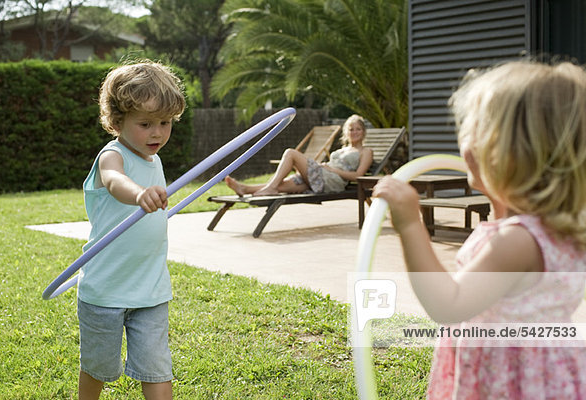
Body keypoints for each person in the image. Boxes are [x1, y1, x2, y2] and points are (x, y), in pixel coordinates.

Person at [374, 60, 586, 399]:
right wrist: (497, 196)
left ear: (509, 154)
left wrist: (411, 223)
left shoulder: (515, 242)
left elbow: (448, 304)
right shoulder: (555, 224)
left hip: (507, 380)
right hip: (544, 371)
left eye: (474, 131)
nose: (463, 142)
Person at [77, 61, 185, 400]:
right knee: (98, 368)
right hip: (105, 290)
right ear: (117, 121)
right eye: (145, 123)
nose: (157, 132)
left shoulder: (156, 160)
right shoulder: (113, 155)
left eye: (165, 123)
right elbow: (113, 181)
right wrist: (139, 194)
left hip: (151, 290)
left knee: (157, 368)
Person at [225, 114, 374, 196]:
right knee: (282, 186)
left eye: (358, 129)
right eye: (351, 129)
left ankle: (269, 187)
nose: (354, 132)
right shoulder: (342, 149)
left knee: (291, 153)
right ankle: (244, 189)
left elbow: (358, 175)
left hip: (331, 181)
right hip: (322, 176)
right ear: (346, 132)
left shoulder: (366, 151)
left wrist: (333, 170)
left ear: (363, 132)